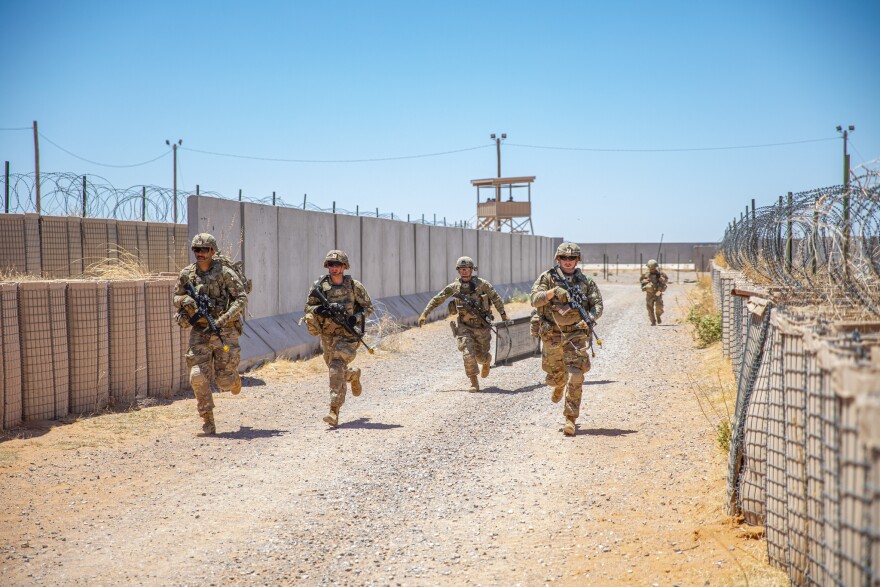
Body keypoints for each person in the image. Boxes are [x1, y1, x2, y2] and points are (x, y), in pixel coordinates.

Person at [173, 233, 248, 435]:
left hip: (225, 329)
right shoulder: (187, 274)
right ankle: (208, 420)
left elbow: (241, 298)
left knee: (224, 381)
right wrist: (184, 301)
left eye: (204, 250)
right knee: (197, 376)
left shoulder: (225, 273)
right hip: (200, 330)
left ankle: (234, 379)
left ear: (213, 251)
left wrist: (224, 318)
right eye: (196, 250)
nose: (200, 253)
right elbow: (176, 296)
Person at [530, 242, 603, 436]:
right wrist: (552, 292)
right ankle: (558, 385)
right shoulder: (547, 278)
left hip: (576, 334)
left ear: (578, 260)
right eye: (564, 258)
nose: (568, 261)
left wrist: (591, 319)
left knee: (576, 375)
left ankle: (570, 418)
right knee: (554, 377)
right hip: (552, 333)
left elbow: (597, 304)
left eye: (572, 258)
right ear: (558, 259)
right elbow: (534, 299)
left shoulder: (586, 282)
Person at [303, 250, 373, 428]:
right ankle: (353, 374)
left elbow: (368, 307)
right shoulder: (320, 286)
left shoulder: (354, 286)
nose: (333, 268)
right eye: (331, 265)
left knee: (335, 366)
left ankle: (334, 411)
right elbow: (308, 308)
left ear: (344, 266)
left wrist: (355, 318)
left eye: (337, 265)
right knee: (336, 370)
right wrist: (320, 310)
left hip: (348, 335)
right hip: (328, 335)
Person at [418, 256, 508, 392]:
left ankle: (486, 361)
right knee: (468, 354)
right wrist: (425, 314)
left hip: (482, 326)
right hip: (465, 327)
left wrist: (503, 314)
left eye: (467, 269)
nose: (464, 271)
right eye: (461, 269)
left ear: (472, 270)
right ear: (458, 271)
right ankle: (474, 382)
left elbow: (495, 297)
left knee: (480, 357)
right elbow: (438, 299)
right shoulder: (454, 288)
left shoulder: (482, 284)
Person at [639, 259, 668, 325]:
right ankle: (653, 321)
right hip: (649, 294)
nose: (652, 270)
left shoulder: (660, 274)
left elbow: (666, 280)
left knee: (659, 306)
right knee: (650, 308)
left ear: (656, 267)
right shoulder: (645, 274)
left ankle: (658, 316)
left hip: (658, 293)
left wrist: (663, 280)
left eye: (653, 268)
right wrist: (644, 281)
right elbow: (641, 282)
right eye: (651, 268)